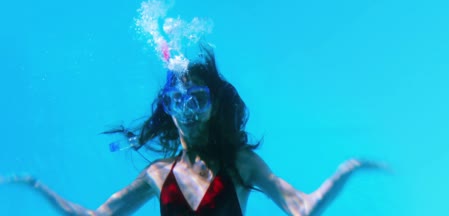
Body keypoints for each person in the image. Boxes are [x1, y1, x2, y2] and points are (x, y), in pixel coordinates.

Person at [1, 46, 388, 216]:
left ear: (213, 105)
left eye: (198, 99)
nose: (188, 110)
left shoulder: (241, 163)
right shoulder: (156, 175)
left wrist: (347, 170)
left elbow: (300, 209)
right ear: (167, 107)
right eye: (179, 100)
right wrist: (38, 188)